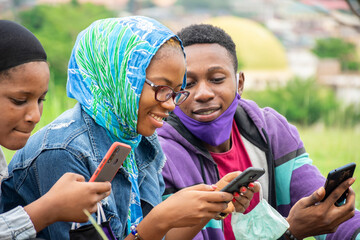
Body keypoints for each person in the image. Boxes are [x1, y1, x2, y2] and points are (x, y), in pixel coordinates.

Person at [0, 17, 256, 240]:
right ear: (122, 78)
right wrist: (160, 220)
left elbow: (160, 236)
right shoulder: (64, 152)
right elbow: (151, 230)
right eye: (161, 89)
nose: (170, 104)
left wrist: (205, 207)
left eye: (177, 92)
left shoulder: (140, 141)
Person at [157, 24, 360, 240]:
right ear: (174, 92)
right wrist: (290, 232)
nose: (203, 93)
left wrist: (335, 215)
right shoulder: (160, 156)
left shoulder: (268, 129)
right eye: (188, 84)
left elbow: (318, 201)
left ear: (240, 83)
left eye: (216, 79)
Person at [0, 20, 112, 239]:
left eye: (41, 99)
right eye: (19, 100)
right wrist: (49, 209)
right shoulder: (60, 150)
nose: (35, 116)